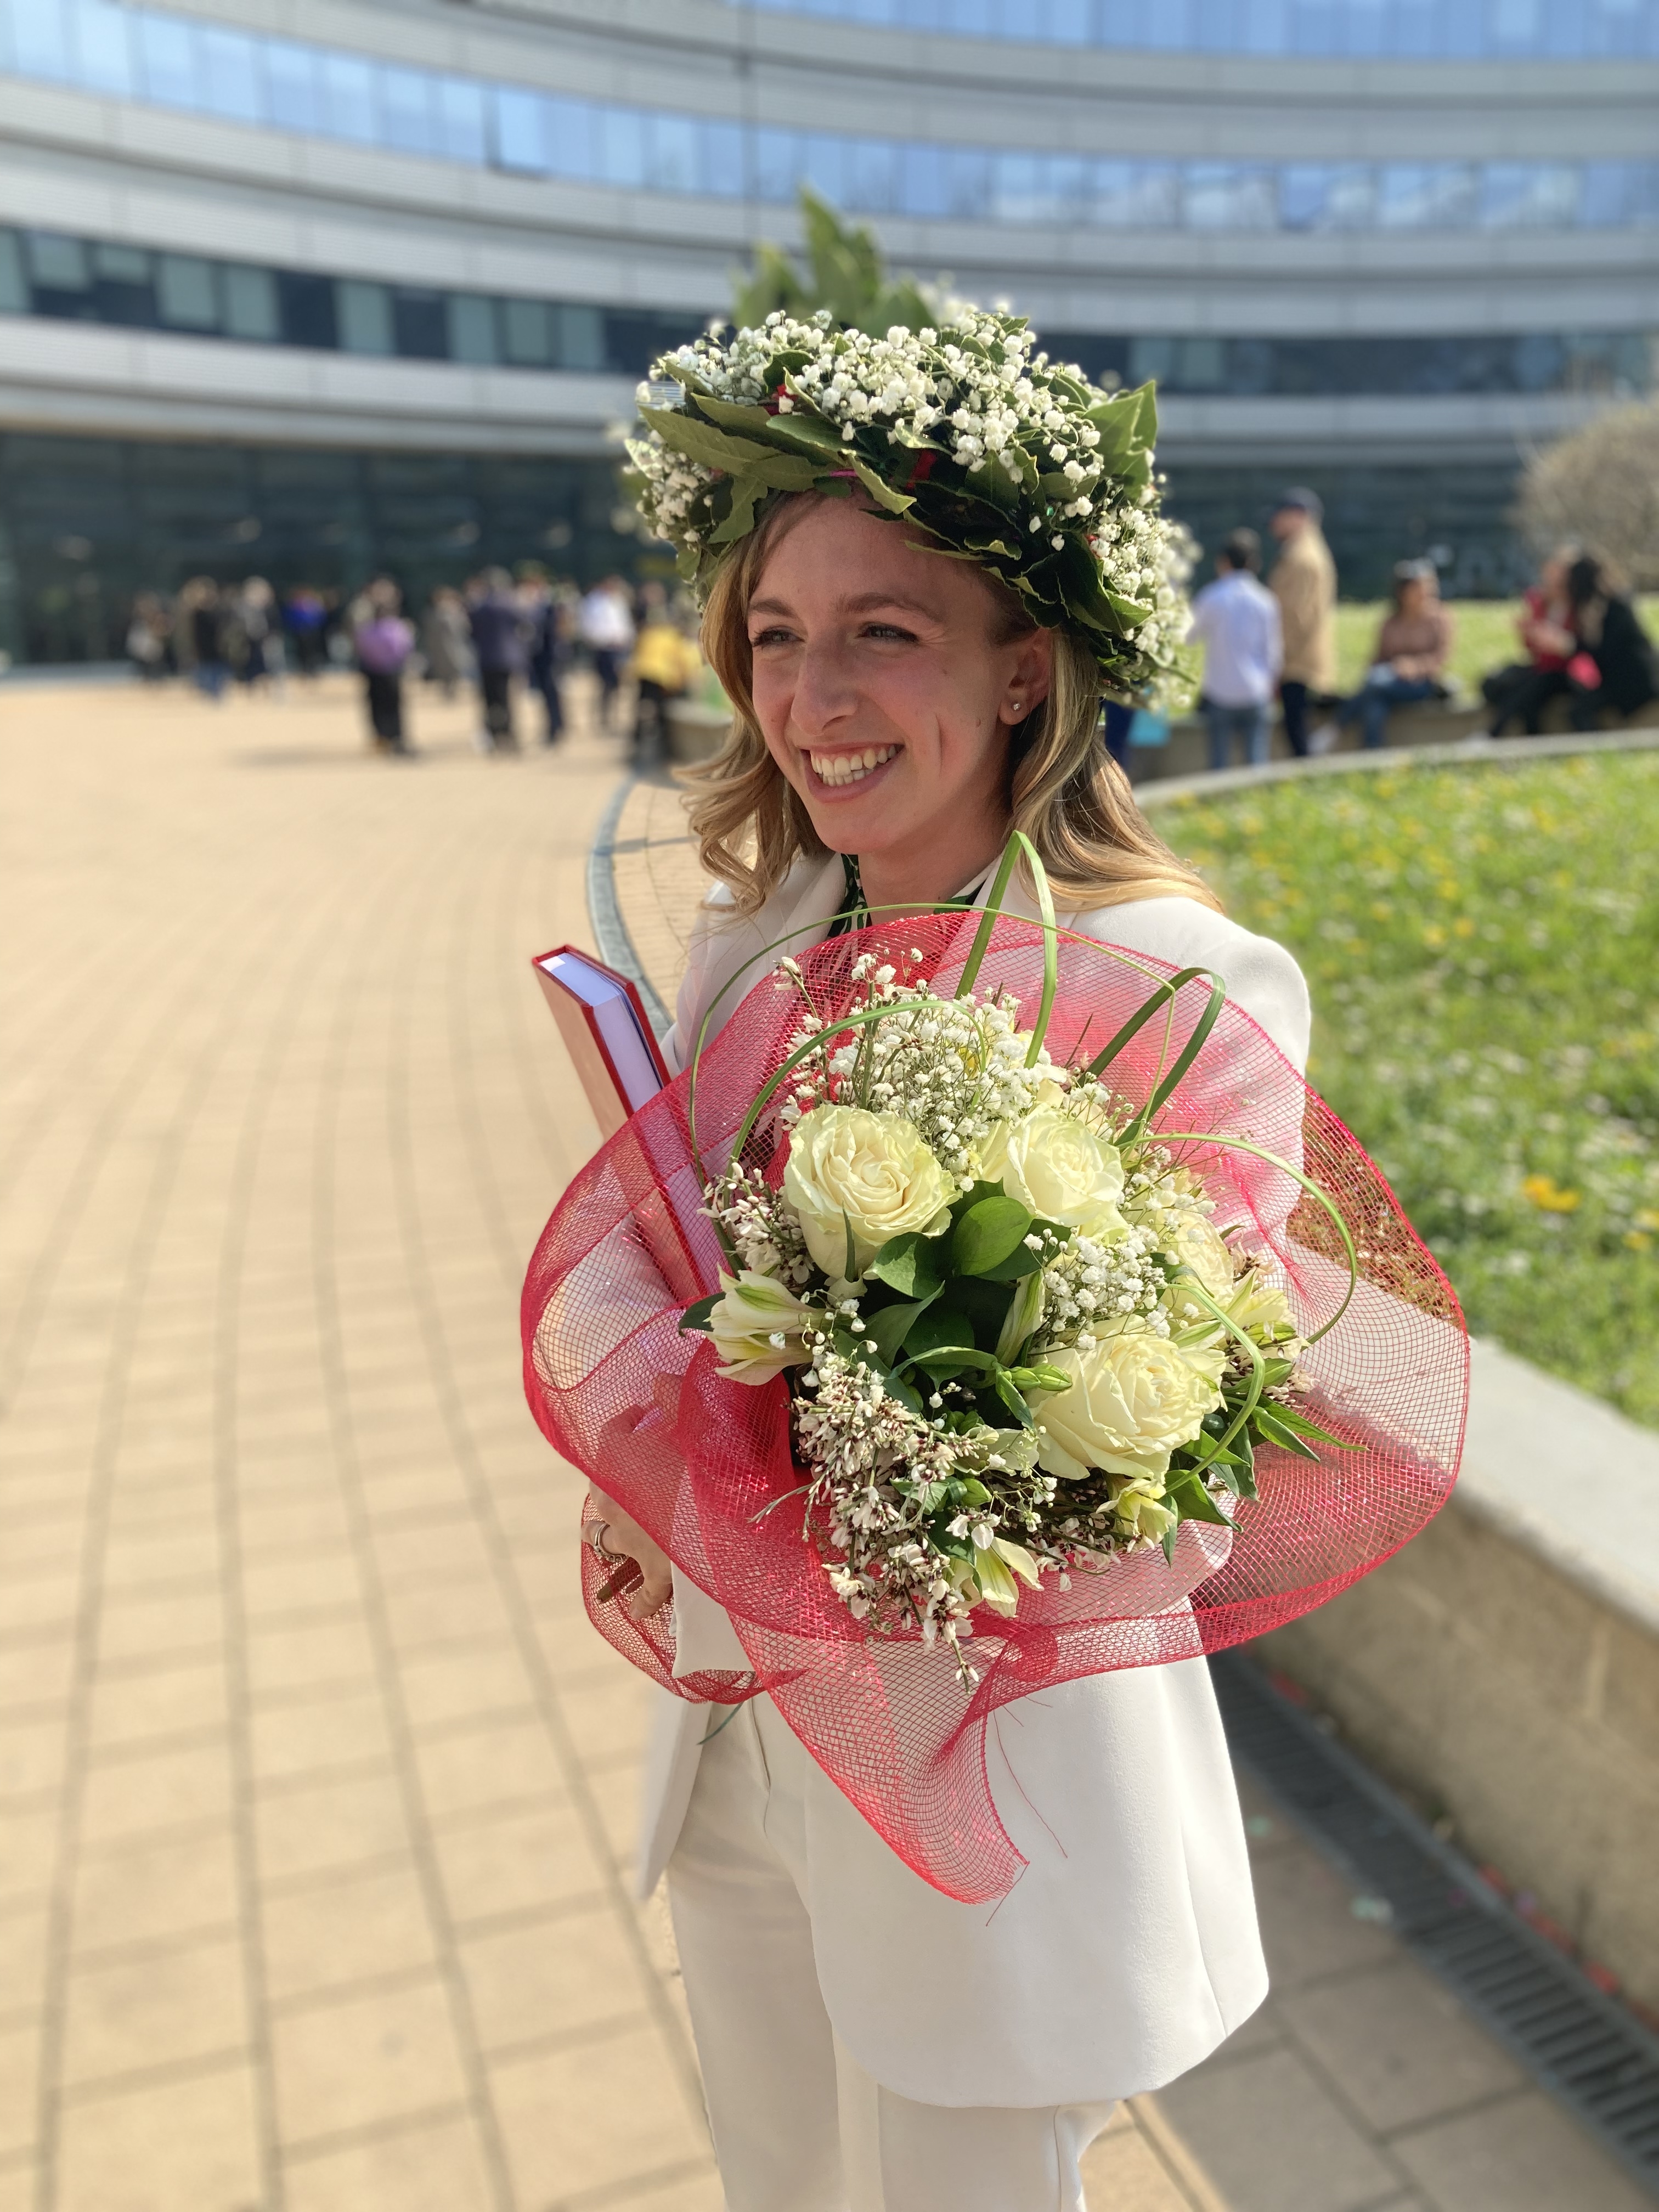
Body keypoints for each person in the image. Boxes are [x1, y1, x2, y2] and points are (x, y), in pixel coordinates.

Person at [579, 318, 1310, 2211]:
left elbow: (1177, 1494)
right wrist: (656, 1453)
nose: (810, 692)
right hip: (738, 1746)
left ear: (1020, 672)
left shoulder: (1175, 985)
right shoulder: (755, 937)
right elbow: (680, 1264)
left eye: (881, 630)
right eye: (772, 636)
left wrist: (877, 1432)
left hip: (979, 1808)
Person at [1186, 528, 1283, 771]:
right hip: (1256, 691)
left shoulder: (1212, 597)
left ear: (1223, 562)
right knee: (1256, 763)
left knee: (1219, 764)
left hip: (1220, 693)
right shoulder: (1267, 601)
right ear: (1255, 563)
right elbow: (1274, 653)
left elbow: (1189, 636)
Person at [1331, 560, 1454, 751]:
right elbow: (1379, 657)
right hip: (1388, 682)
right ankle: (1373, 753)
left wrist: (1413, 667)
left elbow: (1440, 658)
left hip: (1420, 683)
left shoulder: (1439, 619)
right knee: (1375, 705)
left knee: (1375, 684)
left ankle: (1336, 727)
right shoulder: (1391, 621)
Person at [1267, 488, 1337, 758]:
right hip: (1300, 659)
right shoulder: (1306, 553)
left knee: (1298, 735)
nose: (1275, 523)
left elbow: (1296, 617)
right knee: (1296, 729)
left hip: (1297, 662)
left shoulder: (1302, 558)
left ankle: (1308, 777)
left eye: (1280, 517)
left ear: (1299, 517)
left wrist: (1277, 658)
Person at [1483, 550, 1577, 737]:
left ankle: (1494, 734)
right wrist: (1531, 634)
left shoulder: (1576, 605)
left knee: (1530, 688)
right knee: (1505, 684)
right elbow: (1532, 651)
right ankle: (1530, 737)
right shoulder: (1540, 603)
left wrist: (1555, 641)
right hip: (1542, 668)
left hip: (1566, 671)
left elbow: (1576, 647)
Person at [1564, 554, 1657, 731]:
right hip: (1619, 679)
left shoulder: (1615, 607)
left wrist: (1573, 644)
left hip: (1634, 681)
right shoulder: (1604, 606)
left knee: (1580, 711)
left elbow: (1606, 651)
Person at [626, 584, 702, 766]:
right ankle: (665, 748)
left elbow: (638, 652)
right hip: (662, 677)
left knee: (641, 707)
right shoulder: (674, 636)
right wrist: (687, 681)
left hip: (644, 673)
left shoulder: (648, 632)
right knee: (663, 712)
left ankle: (636, 741)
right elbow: (683, 661)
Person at [353, 577, 415, 754]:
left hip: (373, 672)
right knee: (394, 706)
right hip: (392, 671)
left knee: (377, 706)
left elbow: (362, 650)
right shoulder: (398, 628)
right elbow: (405, 649)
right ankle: (397, 737)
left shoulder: (367, 630)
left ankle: (382, 736)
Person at [467, 567, 527, 751]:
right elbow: (524, 627)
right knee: (507, 699)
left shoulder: (480, 607)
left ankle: (494, 734)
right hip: (508, 659)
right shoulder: (510, 604)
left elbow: (472, 633)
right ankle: (509, 735)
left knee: (490, 700)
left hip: (487, 659)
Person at [579, 573, 636, 731]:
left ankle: (613, 716)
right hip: (603, 648)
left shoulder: (619, 601)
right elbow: (588, 627)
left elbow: (625, 625)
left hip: (619, 648)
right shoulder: (593, 602)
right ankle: (603, 717)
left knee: (617, 685)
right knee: (604, 684)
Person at [517, 568, 567, 744]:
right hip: (539, 657)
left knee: (552, 693)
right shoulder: (532, 608)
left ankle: (556, 728)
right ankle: (553, 727)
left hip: (551, 656)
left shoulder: (549, 607)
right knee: (545, 694)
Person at [421, 585, 473, 701]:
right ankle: (447, 691)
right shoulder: (434, 614)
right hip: (441, 648)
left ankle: (451, 691)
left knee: (454, 670)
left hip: (453, 647)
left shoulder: (453, 613)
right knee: (444, 671)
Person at [183, 579, 229, 701]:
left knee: (216, 672)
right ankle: (209, 693)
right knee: (205, 672)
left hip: (216, 648)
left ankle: (215, 693)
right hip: (203, 649)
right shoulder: (196, 614)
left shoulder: (218, 612)